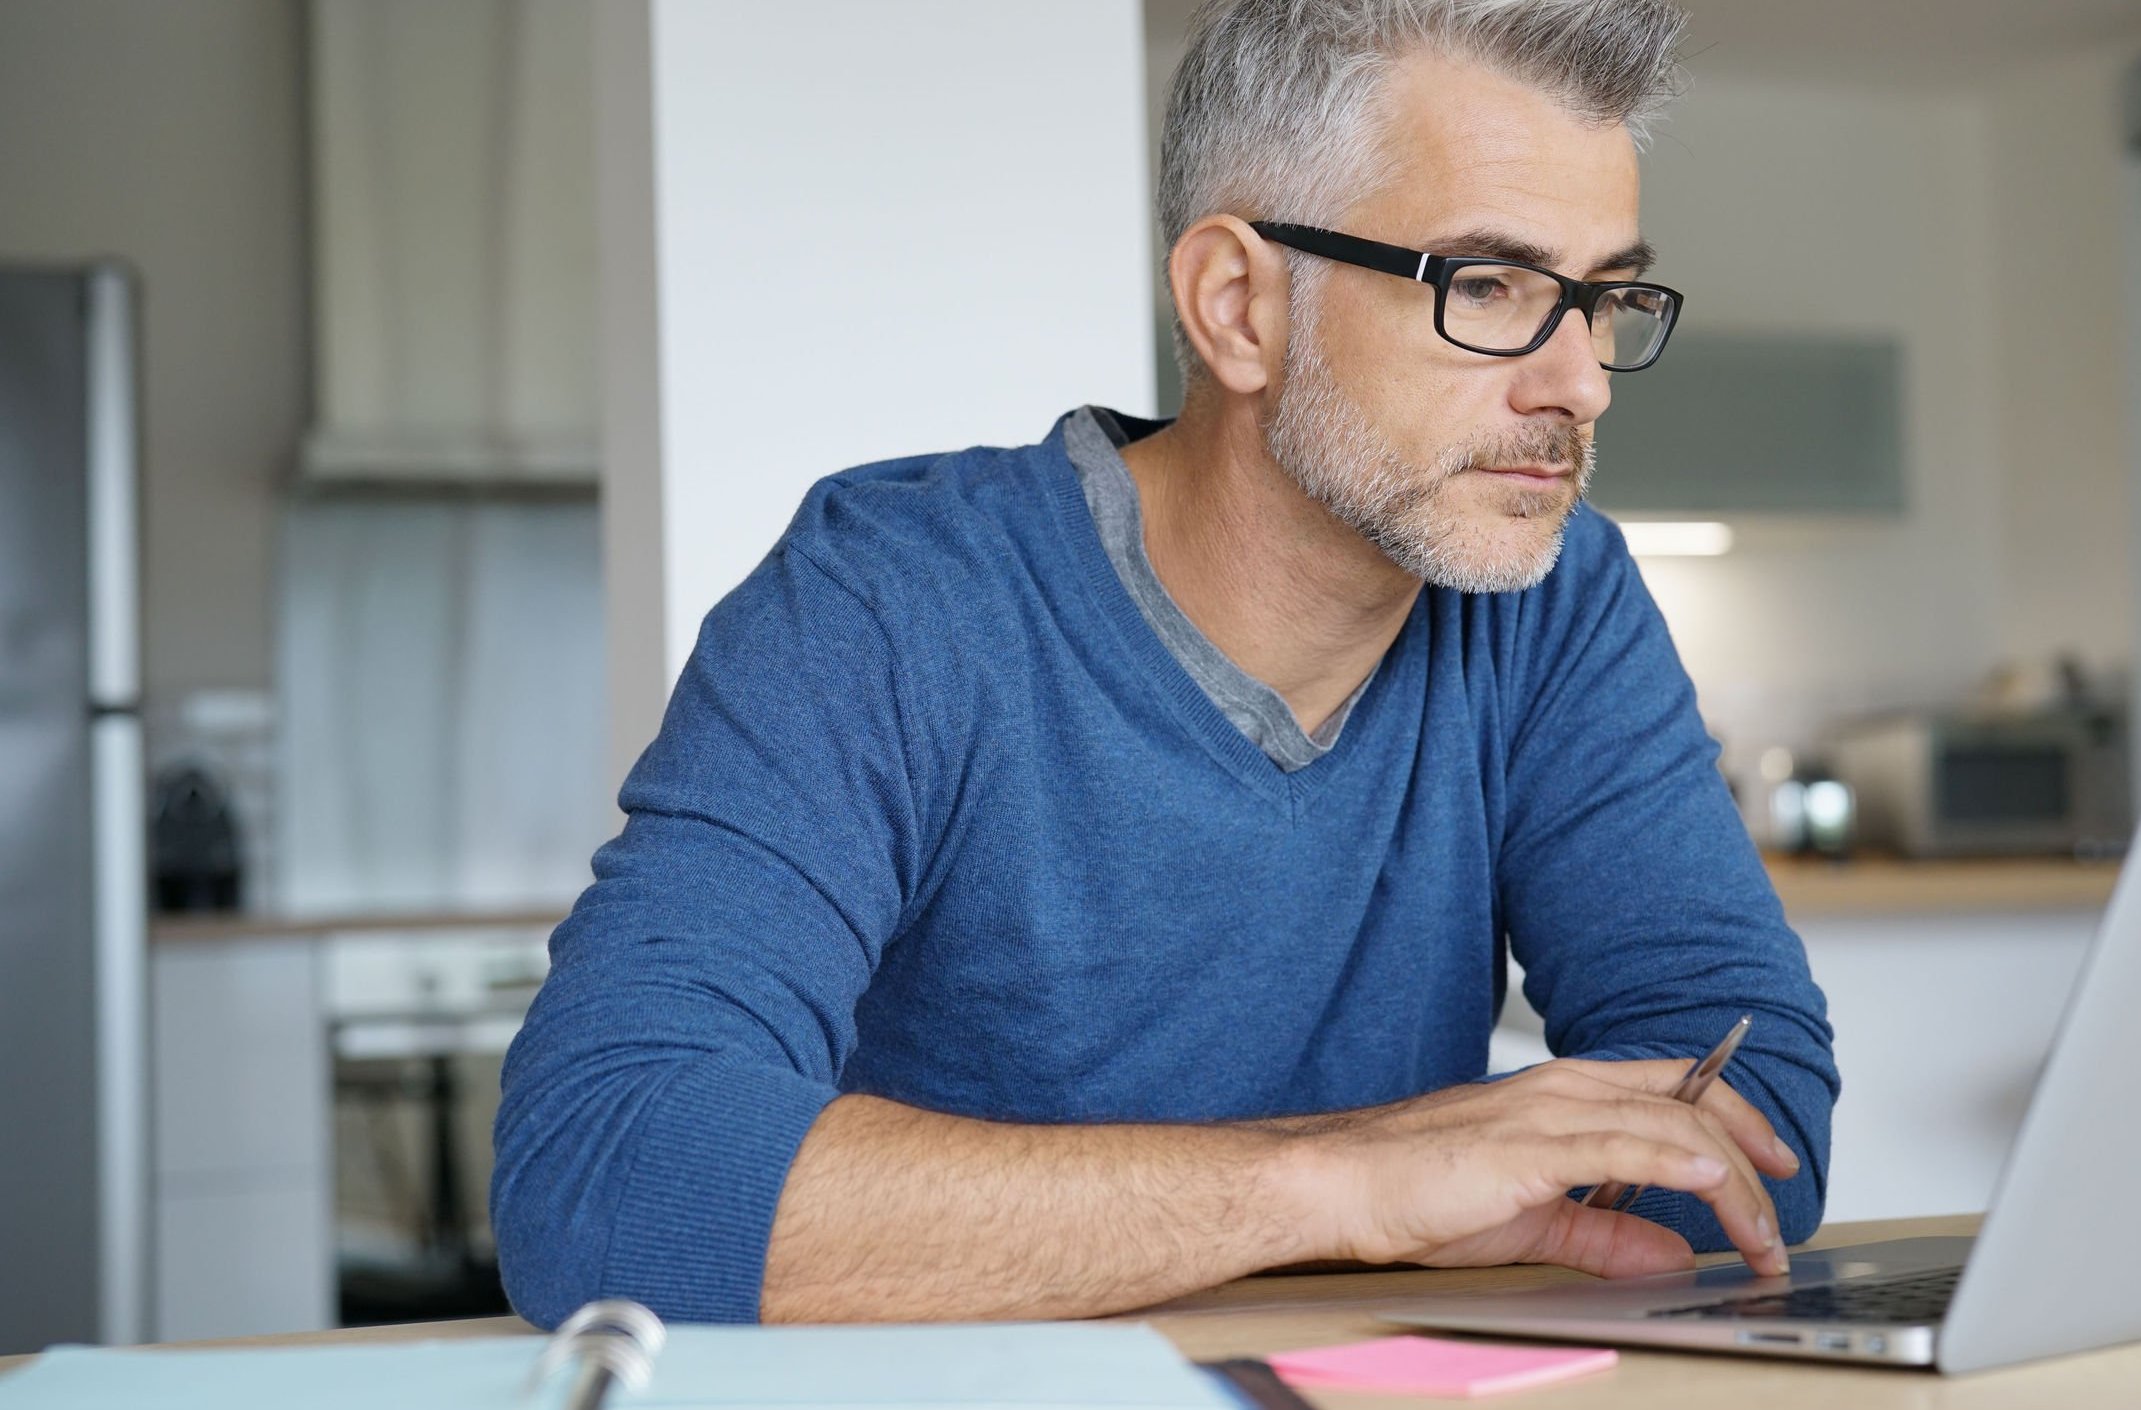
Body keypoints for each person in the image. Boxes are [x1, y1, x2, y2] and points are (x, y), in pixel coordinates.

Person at [491, 0, 1837, 1328]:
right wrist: (1338, 1185)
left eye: (1602, 298)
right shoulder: (890, 601)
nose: (1582, 383)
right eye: (1490, 286)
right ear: (1237, 304)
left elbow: (1749, 1110)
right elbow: (607, 1174)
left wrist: (1406, 1194)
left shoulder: (1553, 599)